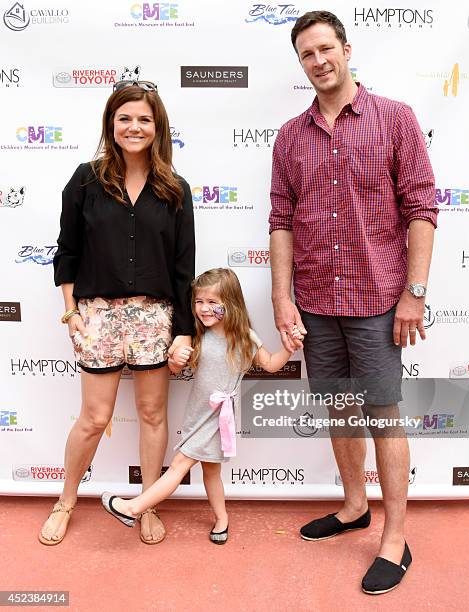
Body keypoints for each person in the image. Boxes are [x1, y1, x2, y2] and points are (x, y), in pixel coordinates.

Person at [269, 11, 437, 594]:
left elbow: (421, 210)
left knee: (383, 416)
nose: (318, 61)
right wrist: (281, 299)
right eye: (306, 55)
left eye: (324, 49)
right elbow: (281, 222)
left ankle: (395, 537)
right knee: (340, 410)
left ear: (345, 48)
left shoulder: (395, 119)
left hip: (377, 301)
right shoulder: (290, 136)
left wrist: (414, 293)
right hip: (315, 301)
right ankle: (353, 506)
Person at [38, 80, 195, 546]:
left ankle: (146, 503)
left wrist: (183, 332)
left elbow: (183, 267)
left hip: (154, 317)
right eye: (125, 118)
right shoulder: (85, 180)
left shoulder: (175, 188)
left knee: (151, 414)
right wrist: (71, 313)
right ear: (111, 123)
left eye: (144, 119)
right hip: (97, 315)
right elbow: (66, 253)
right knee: (93, 416)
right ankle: (65, 500)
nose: (134, 126)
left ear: (158, 126)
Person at [100, 268, 303, 543]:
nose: (204, 309)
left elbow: (270, 364)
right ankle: (222, 519)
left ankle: (133, 508)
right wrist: (175, 359)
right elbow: (174, 368)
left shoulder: (245, 337)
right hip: (198, 415)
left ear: (230, 304)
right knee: (211, 471)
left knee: (179, 465)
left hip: (219, 419)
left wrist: (289, 348)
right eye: (199, 302)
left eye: (212, 302)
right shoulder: (197, 336)